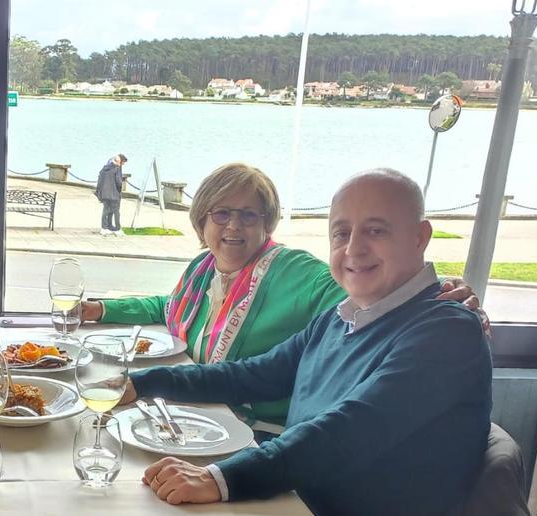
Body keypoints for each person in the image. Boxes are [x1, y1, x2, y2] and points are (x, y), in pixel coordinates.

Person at [124, 168, 492, 514]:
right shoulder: (342, 317)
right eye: (341, 233)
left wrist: (219, 478)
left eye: (376, 231)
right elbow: (250, 375)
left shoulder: (446, 330)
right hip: (294, 499)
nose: (353, 249)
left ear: (419, 238)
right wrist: (139, 383)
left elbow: (349, 431)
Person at [80, 162, 485, 433]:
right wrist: (99, 309)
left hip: (257, 433)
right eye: (221, 213)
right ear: (202, 220)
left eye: (249, 215)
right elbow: (166, 308)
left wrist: (440, 289)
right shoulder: (203, 269)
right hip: (195, 413)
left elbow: (369, 294)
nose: (234, 225)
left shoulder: (295, 271)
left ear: (267, 223)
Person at [95, 153, 127, 236]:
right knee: (116, 211)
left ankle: (104, 228)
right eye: (122, 163)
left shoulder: (104, 169)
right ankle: (117, 228)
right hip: (114, 194)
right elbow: (119, 182)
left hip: (105, 194)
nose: (122, 164)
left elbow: (100, 181)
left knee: (105, 211)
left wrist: (99, 192)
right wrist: (119, 191)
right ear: (118, 162)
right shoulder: (116, 169)